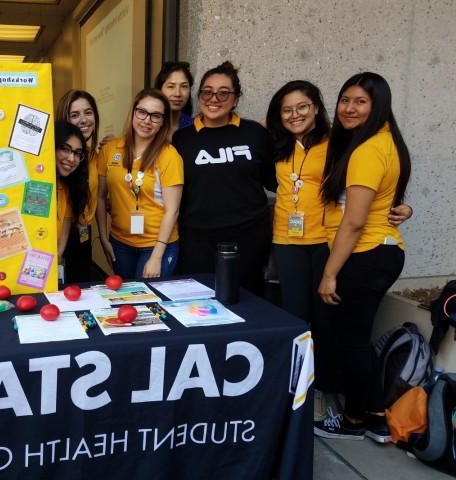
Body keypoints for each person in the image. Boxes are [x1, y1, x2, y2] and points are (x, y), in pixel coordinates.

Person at [265, 80, 412, 419]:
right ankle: (298, 387)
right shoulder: (274, 142)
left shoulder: (339, 141)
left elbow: (368, 192)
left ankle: (326, 390)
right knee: (294, 318)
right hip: (287, 241)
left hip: (325, 242)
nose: (295, 114)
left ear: (317, 107)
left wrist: (404, 207)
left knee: (326, 322)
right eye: (287, 109)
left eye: (303, 106)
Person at [313, 72, 411, 444]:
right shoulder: (383, 142)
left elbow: (353, 222)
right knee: (358, 338)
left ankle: (353, 421)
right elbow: (385, 204)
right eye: (345, 100)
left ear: (378, 106)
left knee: (352, 341)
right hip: (382, 251)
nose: (349, 109)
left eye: (360, 102)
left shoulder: (368, 151)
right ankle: (373, 416)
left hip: (365, 254)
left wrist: (329, 274)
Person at [172, 61, 276, 294]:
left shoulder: (255, 134)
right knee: (199, 302)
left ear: (236, 99)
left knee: (248, 301)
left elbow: (274, 180)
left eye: (223, 93)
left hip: (249, 237)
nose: (214, 99)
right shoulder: (182, 139)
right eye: (207, 92)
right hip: (197, 239)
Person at [95, 88, 183, 279]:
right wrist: (103, 238)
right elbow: (100, 197)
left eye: (155, 116)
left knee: (149, 301)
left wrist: (157, 256)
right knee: (126, 299)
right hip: (120, 243)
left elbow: (172, 210)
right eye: (142, 112)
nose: (147, 120)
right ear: (133, 112)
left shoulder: (169, 156)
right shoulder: (109, 150)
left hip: (156, 244)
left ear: (163, 122)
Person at [55, 90, 101, 282]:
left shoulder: (95, 155)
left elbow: (98, 196)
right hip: (57, 232)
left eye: (88, 113)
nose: (83, 120)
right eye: (75, 115)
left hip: (82, 231)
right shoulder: (58, 161)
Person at [53, 122, 90, 276]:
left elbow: (66, 225)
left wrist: (58, 258)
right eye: (65, 149)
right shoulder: (33, 184)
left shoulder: (67, 188)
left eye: (77, 153)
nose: (71, 158)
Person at [154, 61, 194, 137]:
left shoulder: (194, 127)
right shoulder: (148, 124)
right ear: (160, 89)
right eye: (171, 86)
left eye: (184, 86)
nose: (177, 94)